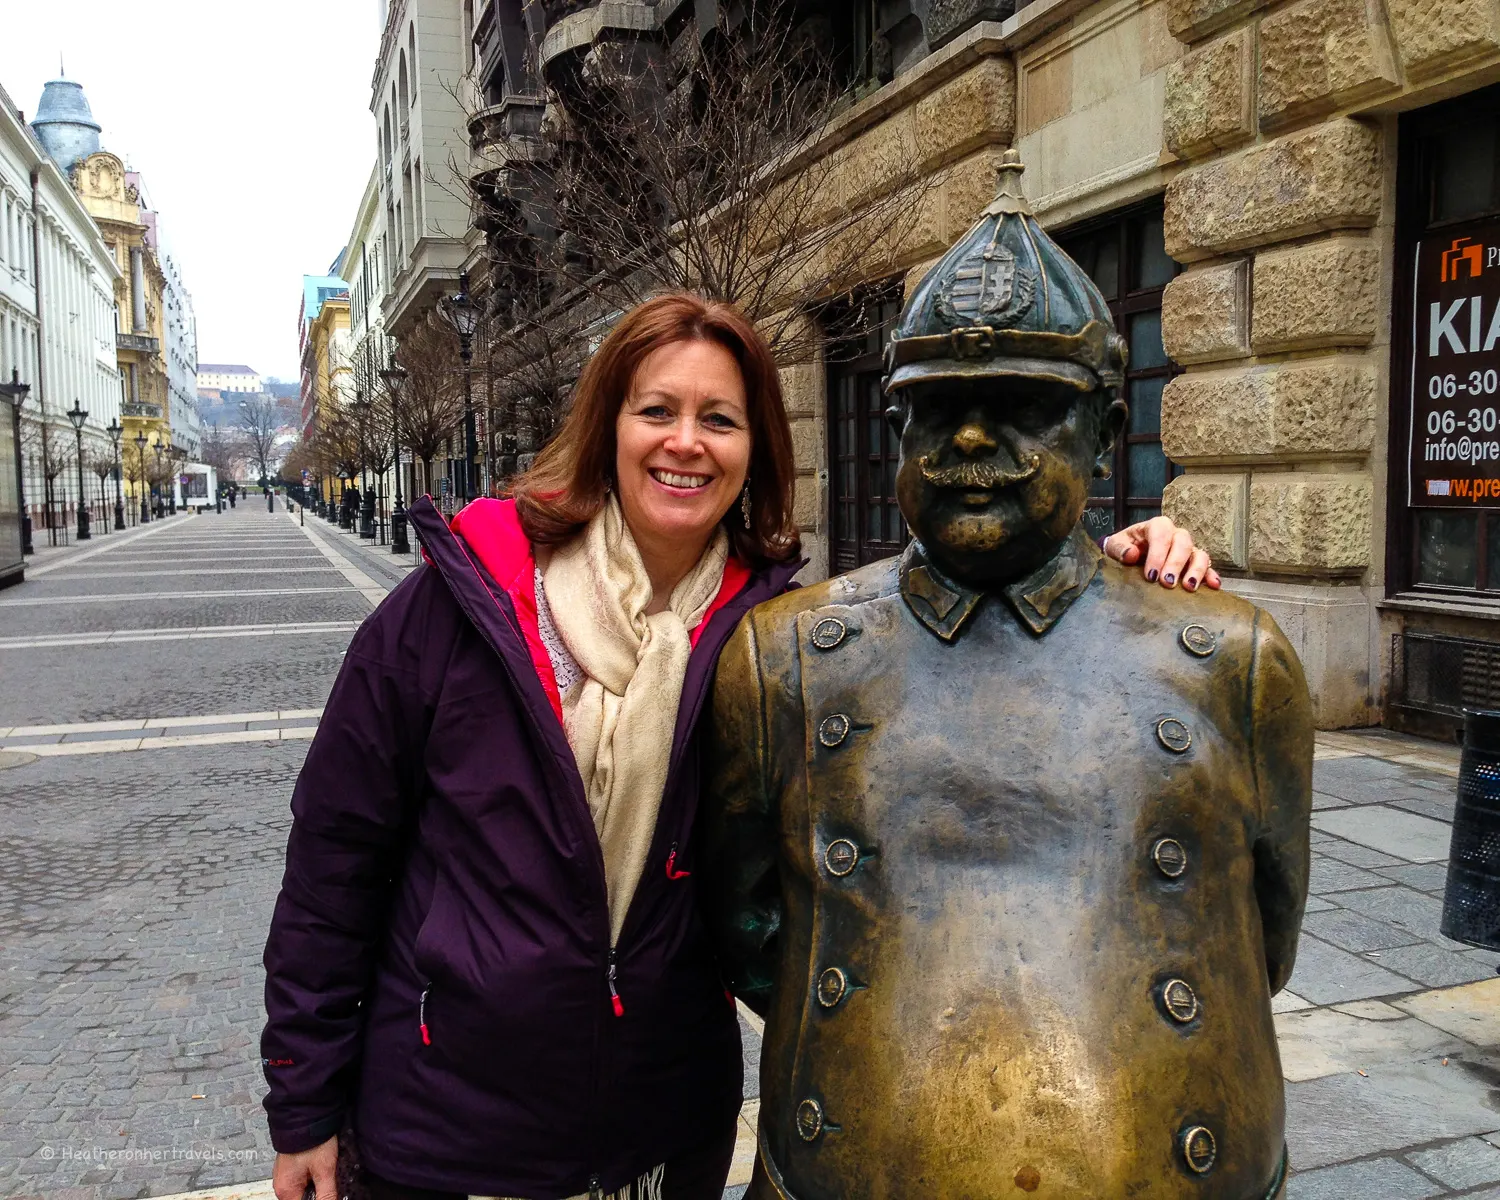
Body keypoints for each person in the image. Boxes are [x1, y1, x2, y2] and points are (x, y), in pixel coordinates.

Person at [260, 293, 1218, 1200]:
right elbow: (334, 864)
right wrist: (303, 1103)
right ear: (609, 427)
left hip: (657, 1125)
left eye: (719, 419)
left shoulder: (773, 637)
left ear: (756, 450)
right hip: (449, 1124)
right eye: (658, 411)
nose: (686, 442)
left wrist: (1115, 572)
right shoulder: (457, 607)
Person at [701, 153, 1310, 1200]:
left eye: (1021, 407)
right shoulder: (786, 661)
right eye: (937, 412)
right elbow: (748, 931)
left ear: (1108, 433)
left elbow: (1255, 940)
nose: (972, 440)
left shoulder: (1235, 663)